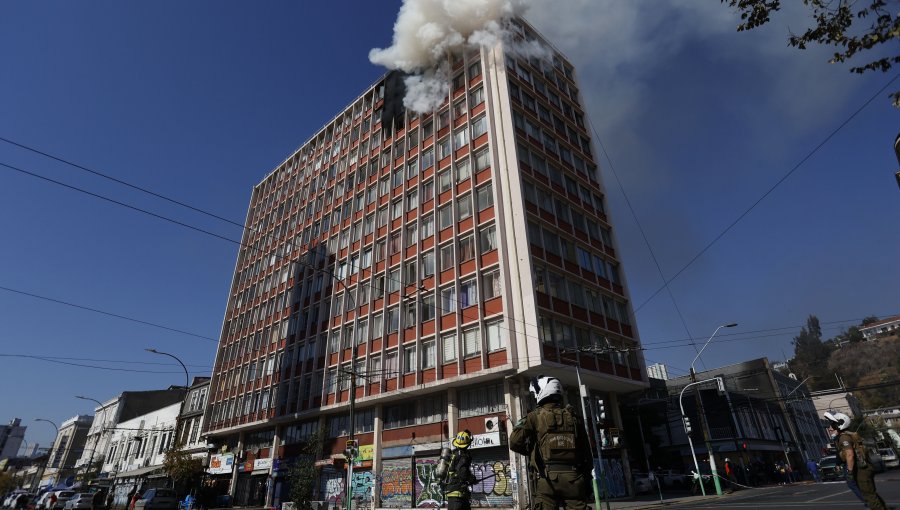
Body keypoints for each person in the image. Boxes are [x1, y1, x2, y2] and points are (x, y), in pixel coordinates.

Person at [509, 375, 592, 510]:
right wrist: (586, 479)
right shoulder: (574, 417)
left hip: (547, 480)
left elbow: (514, 442)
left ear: (541, 391)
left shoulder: (534, 416)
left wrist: (531, 450)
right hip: (574, 478)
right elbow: (587, 453)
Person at [824, 411, 886, 510]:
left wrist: (849, 472)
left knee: (869, 496)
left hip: (861, 469)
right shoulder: (847, 436)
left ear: (839, 425)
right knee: (871, 495)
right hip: (863, 468)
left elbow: (850, 455)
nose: (830, 428)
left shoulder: (844, 437)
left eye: (832, 425)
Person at [441, 429, 478, 510]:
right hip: (458, 495)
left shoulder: (454, 453)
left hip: (454, 494)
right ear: (467, 444)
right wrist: (472, 479)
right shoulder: (463, 456)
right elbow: (462, 473)